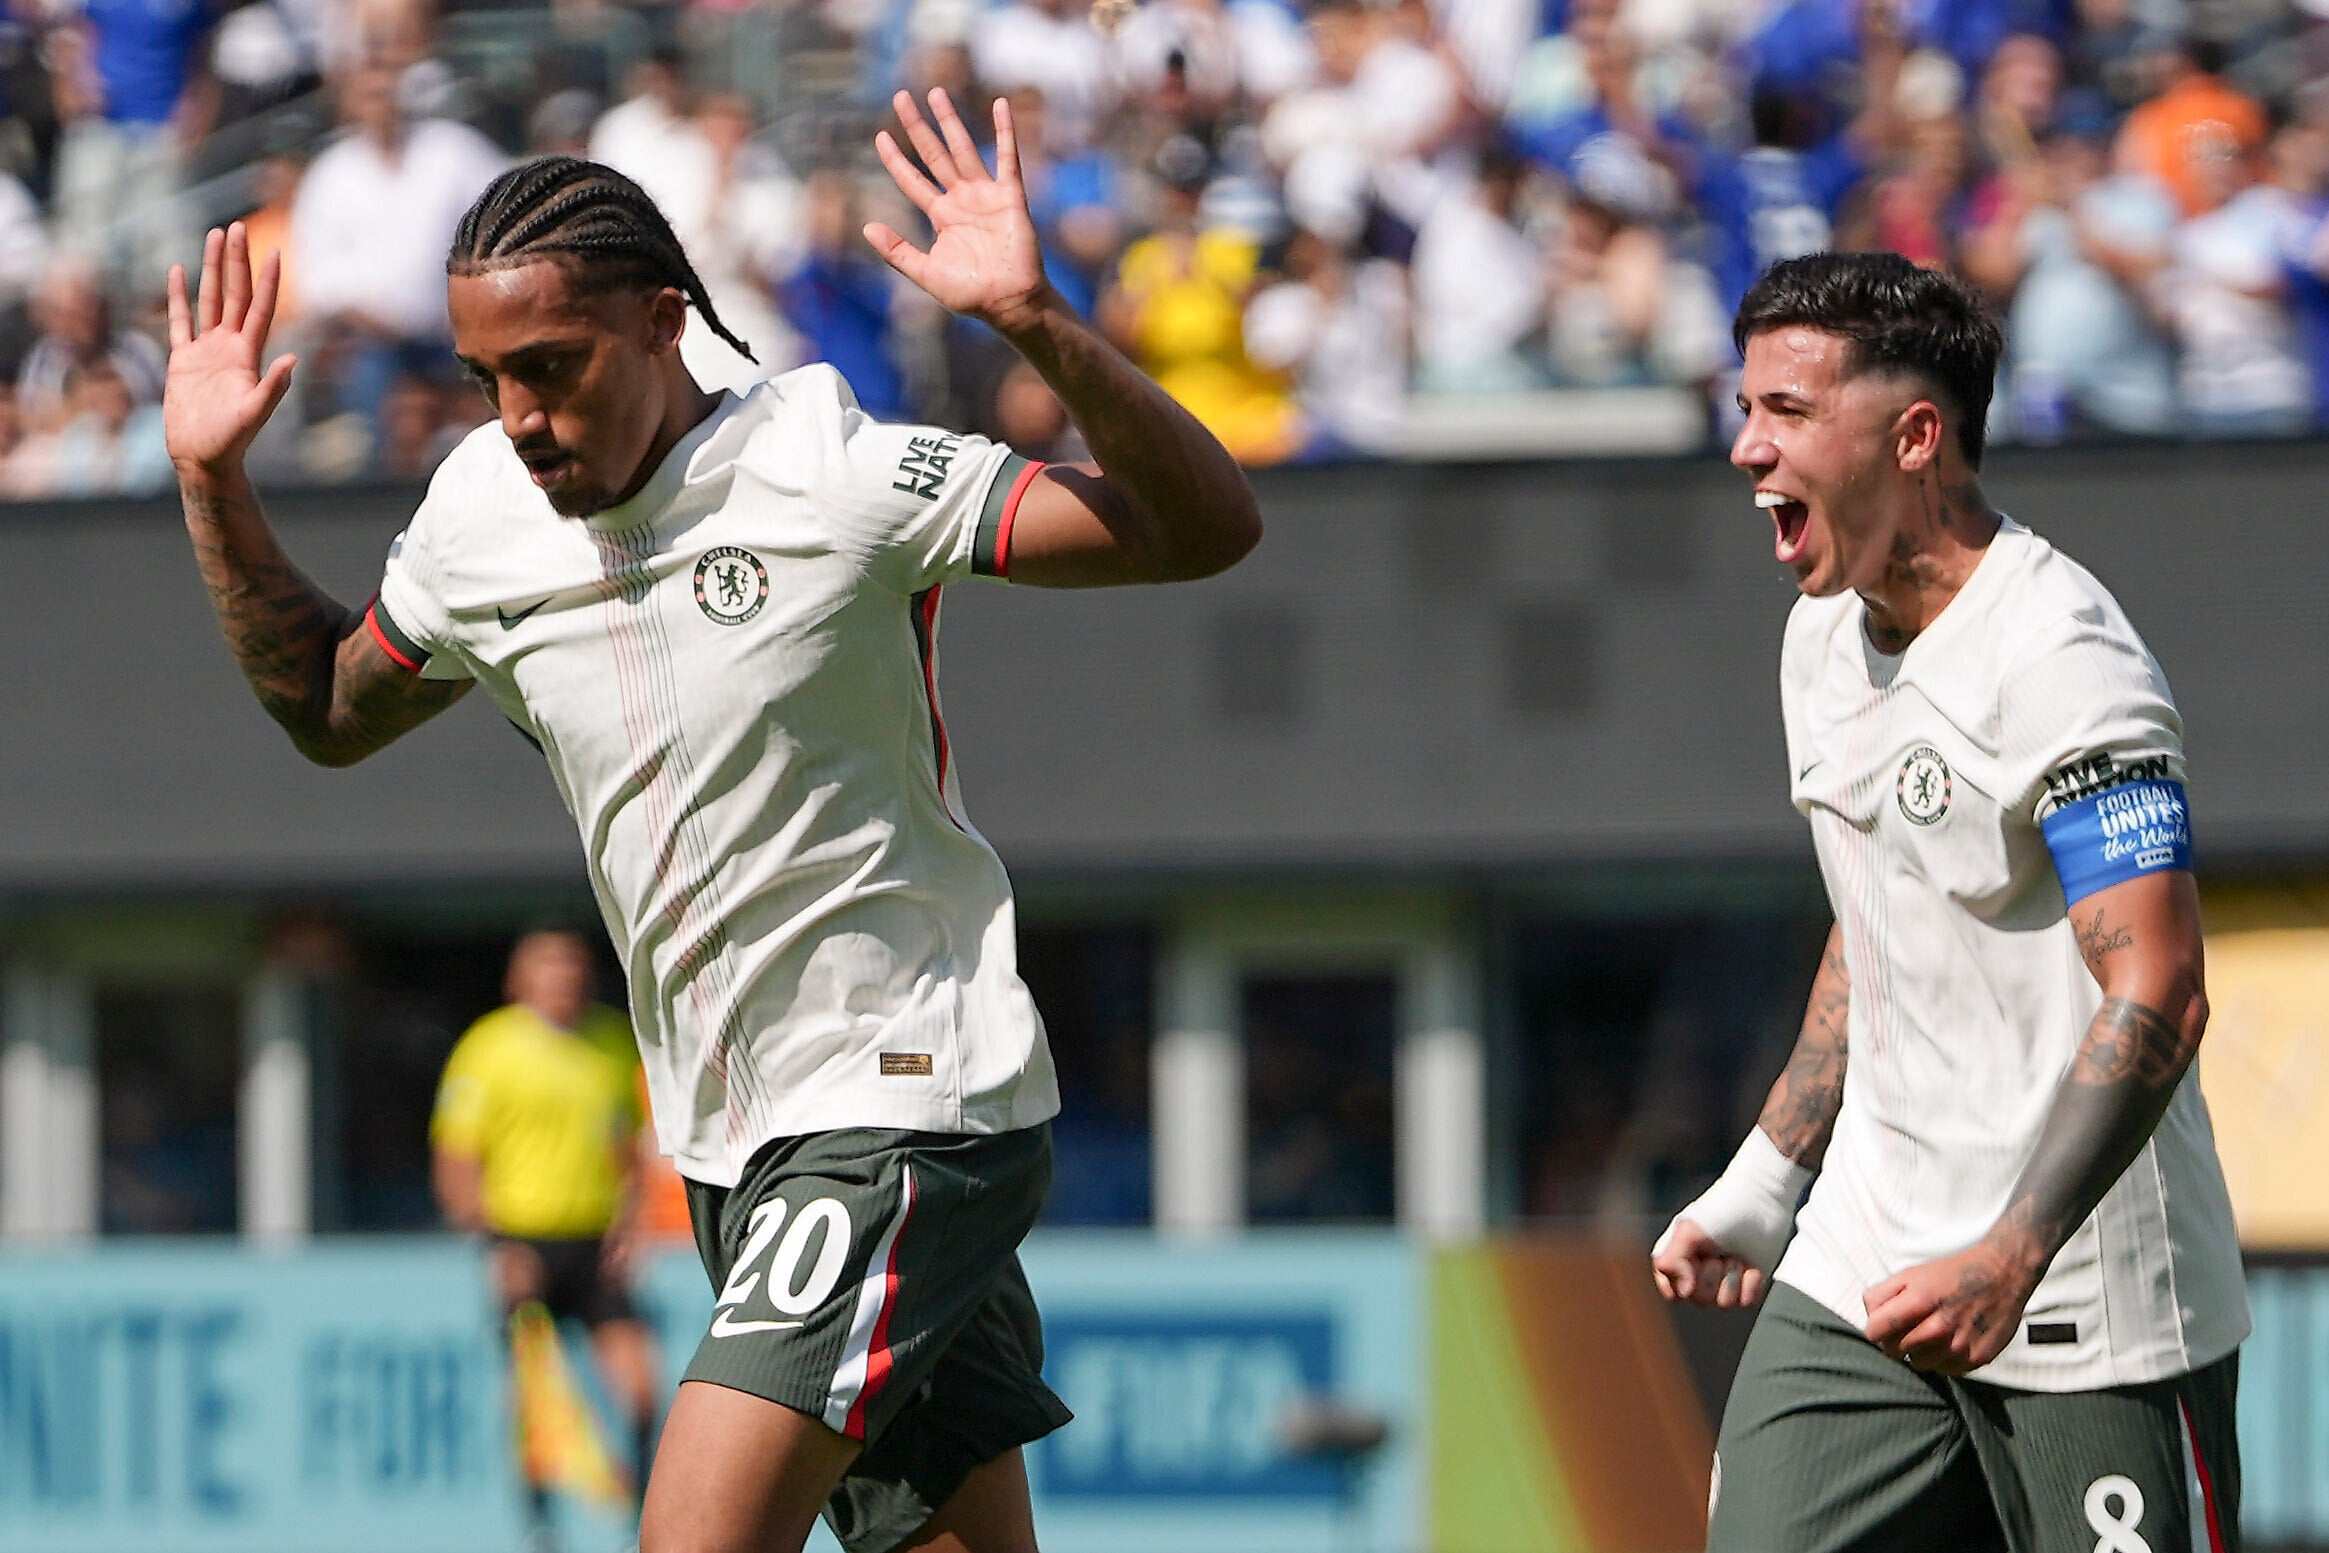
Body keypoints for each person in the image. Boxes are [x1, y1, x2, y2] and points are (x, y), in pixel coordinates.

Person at [163, 83, 1260, 1553]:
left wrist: (1038, 325)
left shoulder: (831, 469)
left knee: (691, 1537)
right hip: (735, 1141)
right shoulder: (481, 513)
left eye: (553, 367)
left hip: (899, 1102)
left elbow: (1203, 529)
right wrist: (210, 478)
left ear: (666, 322)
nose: (524, 419)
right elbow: (327, 711)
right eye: (490, 378)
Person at [1654, 252, 2248, 1551]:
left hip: (2079, 1289)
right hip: (1864, 1252)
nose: (1748, 448)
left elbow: (2159, 980)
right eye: (1745, 408)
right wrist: (1767, 1177)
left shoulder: (2061, 660)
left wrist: (2009, 1254)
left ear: (1915, 433)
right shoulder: (1819, 633)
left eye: (1788, 413)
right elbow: (1880, 912)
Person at [432, 928, 663, 1545]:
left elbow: (634, 1150)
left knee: (641, 1387)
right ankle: (542, 1530)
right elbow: (457, 1161)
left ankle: (638, 1524)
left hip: (594, 1248)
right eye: (548, 967)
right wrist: (494, 1244)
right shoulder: (488, 1050)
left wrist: (629, 1225)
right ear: (519, 981)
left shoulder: (614, 1044)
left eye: (572, 966)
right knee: (537, 1405)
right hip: (524, 1246)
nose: (563, 978)